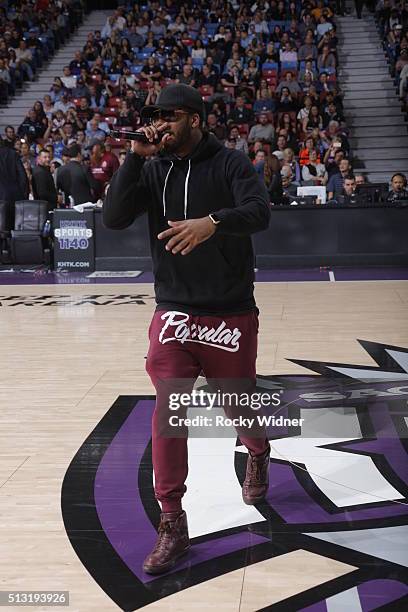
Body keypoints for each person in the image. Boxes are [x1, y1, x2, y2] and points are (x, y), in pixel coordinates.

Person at [103, 83, 271, 575]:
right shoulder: (153, 167)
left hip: (229, 308)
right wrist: (134, 157)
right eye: (153, 115)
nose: (160, 124)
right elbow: (114, 218)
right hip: (174, 308)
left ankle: (257, 450)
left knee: (237, 401)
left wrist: (212, 222)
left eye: (169, 116)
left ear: (195, 119)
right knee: (170, 409)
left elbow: (260, 212)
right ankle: (172, 520)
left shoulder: (231, 163)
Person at [0, 138, 29, 228]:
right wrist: (23, 196)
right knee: (14, 229)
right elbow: (23, 176)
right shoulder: (13, 153)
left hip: (1, 199)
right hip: (15, 197)